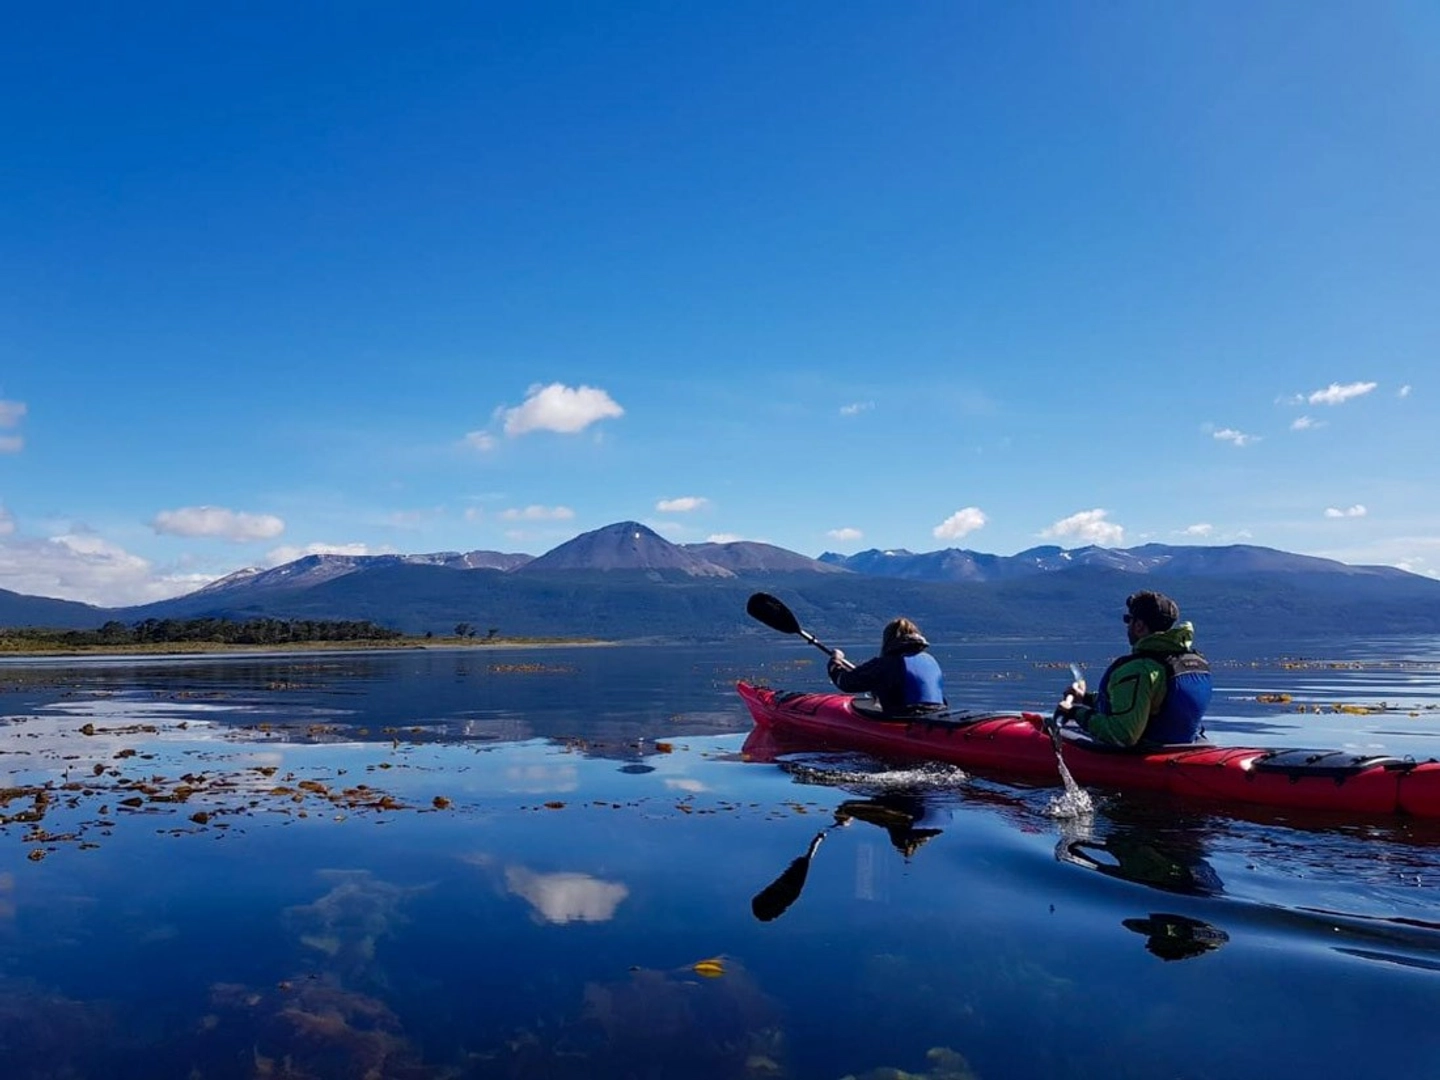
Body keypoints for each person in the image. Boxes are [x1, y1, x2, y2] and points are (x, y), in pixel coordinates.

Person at [1057, 590, 1212, 747]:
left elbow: (1123, 735)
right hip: (1184, 746)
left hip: (1147, 754)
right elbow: (1137, 703)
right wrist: (1085, 699)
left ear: (1139, 626)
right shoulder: (1197, 662)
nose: (1127, 625)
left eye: (1128, 619)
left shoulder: (1138, 670)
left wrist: (1074, 713)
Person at [828, 616, 947, 716]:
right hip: (937, 715)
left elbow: (845, 682)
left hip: (905, 719)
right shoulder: (930, 660)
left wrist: (836, 660)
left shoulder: (886, 664)